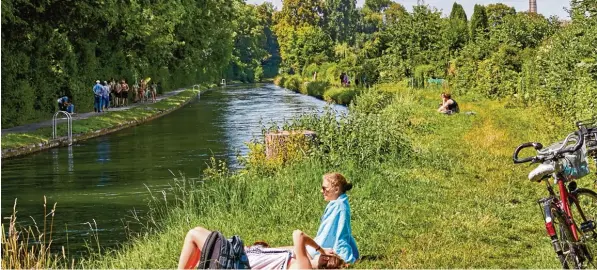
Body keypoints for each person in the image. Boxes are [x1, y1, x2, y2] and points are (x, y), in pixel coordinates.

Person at [177, 226, 346, 269]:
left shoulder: (304, 266)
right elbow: (290, 248)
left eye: (326, 258)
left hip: (236, 264)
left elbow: (298, 235)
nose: (325, 256)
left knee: (194, 233)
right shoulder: (300, 260)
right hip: (238, 258)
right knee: (198, 249)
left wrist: (321, 248)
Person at [308, 172, 359, 264]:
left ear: (336, 189)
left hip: (328, 248)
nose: (321, 191)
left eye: (324, 188)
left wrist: (345, 257)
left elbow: (339, 234)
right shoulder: (337, 204)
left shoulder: (339, 207)